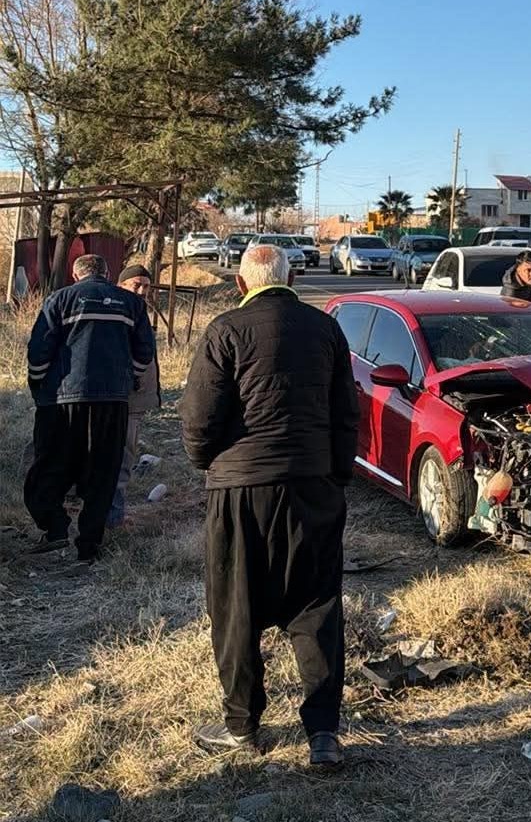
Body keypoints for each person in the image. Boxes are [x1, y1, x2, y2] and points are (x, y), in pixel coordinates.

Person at [179, 245, 360, 766]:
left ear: (241, 284)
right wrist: (336, 475)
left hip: (240, 491)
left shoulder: (225, 331)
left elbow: (198, 421)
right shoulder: (326, 330)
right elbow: (347, 411)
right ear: (292, 278)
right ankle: (323, 733)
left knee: (236, 607)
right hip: (312, 486)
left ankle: (242, 726)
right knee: (318, 605)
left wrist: (210, 463)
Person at [24, 254, 155, 561]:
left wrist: (38, 384)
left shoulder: (60, 299)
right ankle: (89, 546)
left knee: (47, 466)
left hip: (62, 399)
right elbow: (145, 351)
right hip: (112, 401)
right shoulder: (131, 304)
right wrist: (129, 377)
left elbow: (39, 350)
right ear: (108, 273)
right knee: (103, 471)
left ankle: (54, 527)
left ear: (74, 273)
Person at [105, 264, 160, 531]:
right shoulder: (118, 313)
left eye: (146, 286)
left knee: (124, 457)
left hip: (134, 400)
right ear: (120, 285)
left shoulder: (138, 312)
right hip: (122, 397)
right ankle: (113, 519)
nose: (141, 290)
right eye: (135, 284)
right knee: (120, 458)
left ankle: (110, 515)